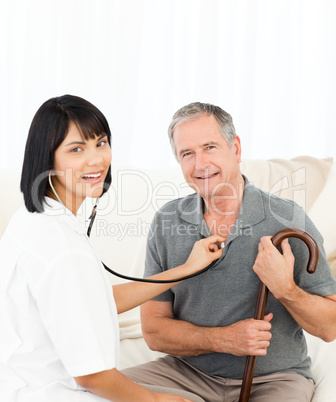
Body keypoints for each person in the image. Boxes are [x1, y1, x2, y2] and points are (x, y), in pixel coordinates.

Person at [0, 95, 225, 402]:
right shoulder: (62, 248)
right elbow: (91, 375)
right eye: (76, 149)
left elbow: (94, 300)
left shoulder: (32, 220)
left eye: (101, 143)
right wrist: (157, 401)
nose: (96, 160)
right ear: (47, 157)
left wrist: (185, 270)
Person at [122, 102, 336, 402]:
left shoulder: (287, 219)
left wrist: (286, 290)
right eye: (187, 154)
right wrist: (225, 340)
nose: (200, 164)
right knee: (98, 392)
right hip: (185, 374)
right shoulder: (167, 221)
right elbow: (155, 331)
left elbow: (330, 327)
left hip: (273, 380)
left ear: (235, 148)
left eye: (210, 147)